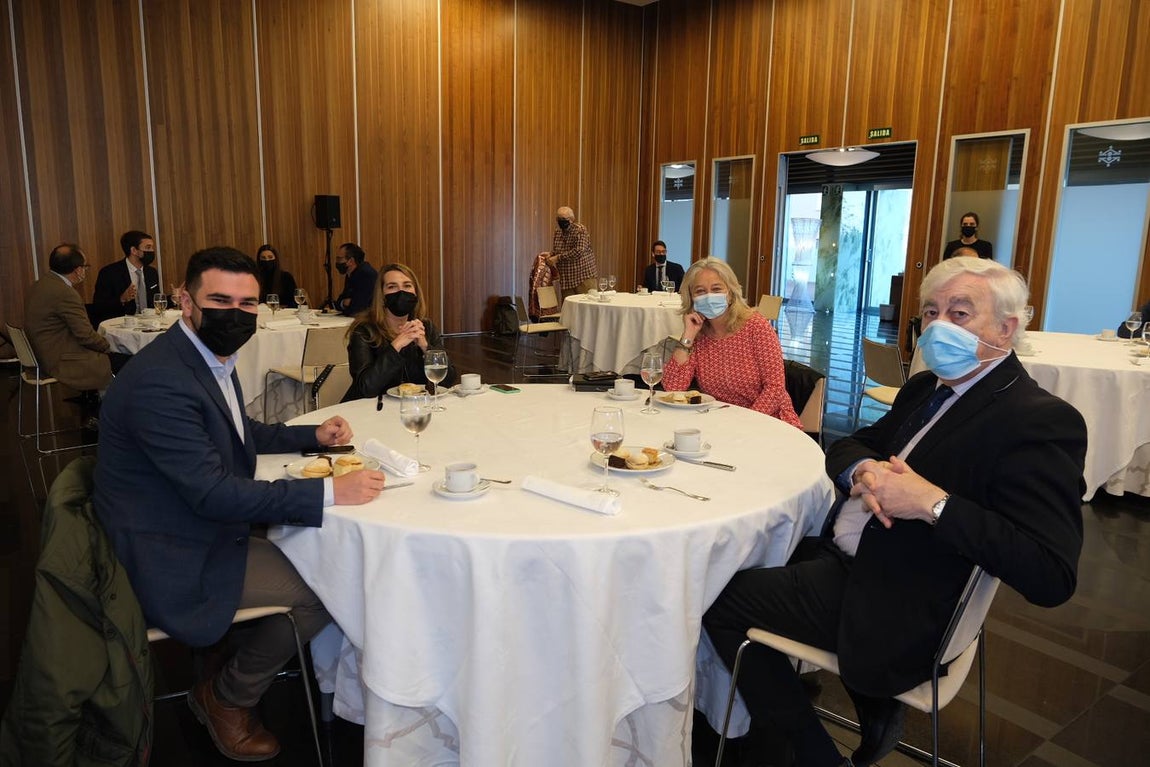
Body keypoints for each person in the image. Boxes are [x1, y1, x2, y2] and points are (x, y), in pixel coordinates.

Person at [702, 256, 1087, 767]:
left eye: (960, 313)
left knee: (716, 599)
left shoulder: (1038, 421)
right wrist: (862, 469)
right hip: (855, 553)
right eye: (930, 313)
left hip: (901, 597)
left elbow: (1050, 574)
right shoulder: (928, 389)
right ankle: (859, 704)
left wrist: (933, 504)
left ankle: (816, 754)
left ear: (1008, 328)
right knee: (743, 554)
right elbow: (854, 443)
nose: (938, 327)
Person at [94, 246, 387, 761]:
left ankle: (227, 660)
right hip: (169, 550)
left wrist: (309, 434)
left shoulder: (201, 356)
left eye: (248, 303)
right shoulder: (162, 381)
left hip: (184, 519)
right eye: (221, 300)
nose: (236, 314)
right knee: (327, 582)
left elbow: (236, 429)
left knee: (317, 556)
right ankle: (226, 696)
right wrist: (328, 491)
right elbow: (211, 493)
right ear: (186, 301)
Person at [662, 257, 802, 428]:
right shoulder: (699, 335)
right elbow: (672, 387)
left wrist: (743, 424)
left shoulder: (755, 326)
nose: (709, 296)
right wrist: (688, 336)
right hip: (720, 424)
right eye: (700, 291)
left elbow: (775, 389)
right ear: (690, 297)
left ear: (730, 293)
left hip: (769, 421)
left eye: (716, 289)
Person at [341, 263, 457, 401]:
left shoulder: (425, 327)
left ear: (415, 293)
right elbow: (366, 388)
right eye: (392, 287)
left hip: (412, 407)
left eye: (407, 285)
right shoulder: (364, 331)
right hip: (371, 409)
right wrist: (396, 346)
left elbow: (447, 380)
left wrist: (426, 347)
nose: (401, 292)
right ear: (382, 295)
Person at [23, 244, 114, 415]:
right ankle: (112, 417)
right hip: (60, 360)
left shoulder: (40, 284)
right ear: (78, 270)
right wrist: (109, 346)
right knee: (122, 361)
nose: (85, 271)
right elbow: (86, 336)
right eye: (85, 266)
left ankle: (100, 411)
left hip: (40, 355)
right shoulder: (65, 293)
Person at [92, 230, 161, 321]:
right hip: (122, 324)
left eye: (152, 247)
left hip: (150, 322)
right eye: (148, 247)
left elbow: (155, 300)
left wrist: (173, 298)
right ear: (134, 250)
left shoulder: (151, 272)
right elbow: (99, 306)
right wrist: (122, 299)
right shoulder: (110, 273)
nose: (152, 251)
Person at [547, 206, 597, 295]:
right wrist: (550, 254)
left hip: (583, 277)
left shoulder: (580, 230)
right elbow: (558, 250)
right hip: (567, 280)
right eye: (558, 218)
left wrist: (557, 258)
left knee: (586, 307)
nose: (560, 221)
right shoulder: (558, 232)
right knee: (568, 308)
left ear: (572, 219)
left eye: (563, 218)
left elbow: (578, 251)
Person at [334, 242, 378, 316]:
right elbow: (340, 302)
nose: (337, 262)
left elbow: (358, 308)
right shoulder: (351, 274)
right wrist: (344, 303)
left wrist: (348, 304)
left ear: (351, 261)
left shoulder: (366, 275)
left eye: (339, 259)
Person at [255, 243, 298, 308]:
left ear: (276, 258)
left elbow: (294, 302)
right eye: (263, 258)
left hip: (284, 314)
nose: (267, 260)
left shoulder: (286, 277)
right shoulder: (254, 278)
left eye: (270, 257)